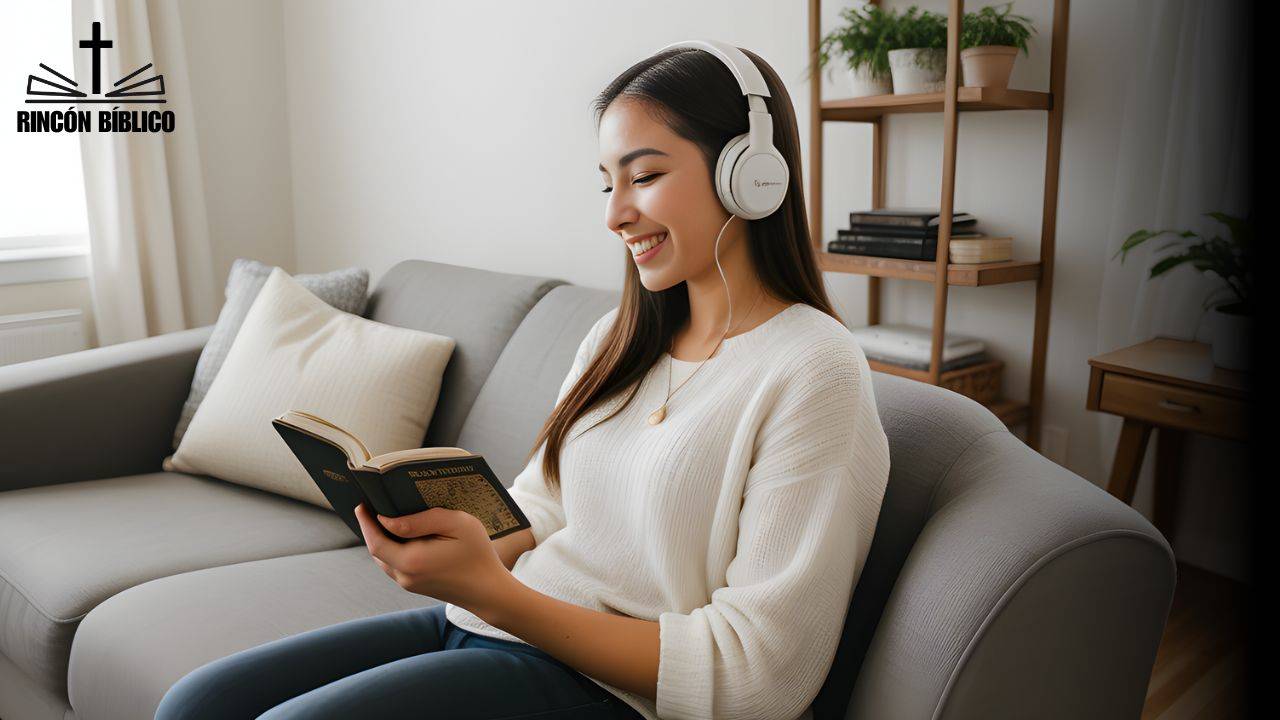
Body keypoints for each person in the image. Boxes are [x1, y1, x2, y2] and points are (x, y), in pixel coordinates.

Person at [154, 41, 890, 720]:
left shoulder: (813, 369)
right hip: (491, 621)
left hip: (604, 689)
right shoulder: (619, 339)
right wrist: (443, 544)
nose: (615, 214)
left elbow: (759, 673)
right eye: (607, 183)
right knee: (197, 703)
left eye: (645, 176)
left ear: (751, 174)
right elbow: (539, 505)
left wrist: (497, 594)